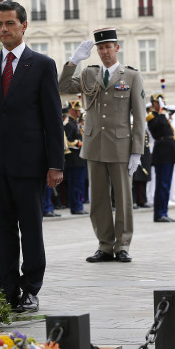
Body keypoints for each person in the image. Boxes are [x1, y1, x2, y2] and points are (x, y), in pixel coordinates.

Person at [0, 1, 64, 312]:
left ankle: (31, 288)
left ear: (23, 26)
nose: (4, 29)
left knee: (30, 228)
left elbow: (52, 118)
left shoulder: (42, 64)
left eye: (10, 23)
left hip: (29, 163)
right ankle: (5, 289)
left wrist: (55, 164)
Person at [59, 27, 145, 263]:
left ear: (117, 47)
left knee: (124, 198)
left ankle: (123, 244)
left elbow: (139, 116)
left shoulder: (131, 76)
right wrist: (74, 61)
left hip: (121, 146)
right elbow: (63, 87)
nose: (105, 51)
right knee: (98, 199)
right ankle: (105, 245)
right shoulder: (88, 74)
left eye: (108, 47)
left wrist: (137, 150)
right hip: (95, 143)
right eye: (101, 48)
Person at [146, 94, 175, 222]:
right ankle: (159, 214)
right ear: (154, 103)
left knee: (167, 183)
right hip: (162, 151)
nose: (161, 104)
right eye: (159, 102)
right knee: (162, 184)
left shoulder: (162, 116)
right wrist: (160, 113)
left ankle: (164, 212)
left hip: (169, 150)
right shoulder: (152, 116)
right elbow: (155, 128)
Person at [63, 100, 88, 215]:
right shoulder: (69, 124)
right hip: (74, 159)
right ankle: (76, 206)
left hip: (79, 159)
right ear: (73, 110)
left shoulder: (75, 123)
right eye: (77, 110)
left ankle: (78, 205)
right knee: (76, 184)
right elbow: (66, 141)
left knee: (79, 183)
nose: (79, 113)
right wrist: (78, 143)